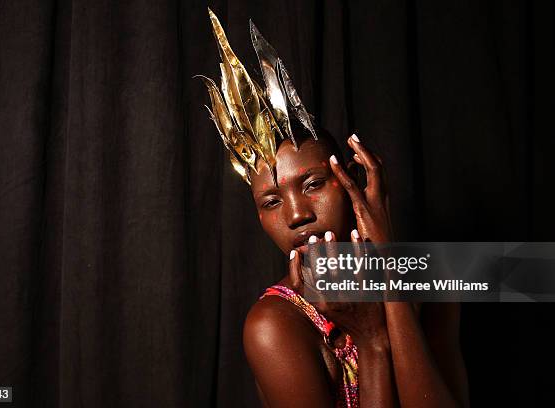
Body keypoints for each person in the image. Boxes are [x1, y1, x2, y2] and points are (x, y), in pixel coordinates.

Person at [198, 8, 470, 407]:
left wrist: (389, 273)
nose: (296, 216)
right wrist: (372, 342)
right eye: (272, 202)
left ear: (352, 184)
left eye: (313, 184)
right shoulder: (274, 325)